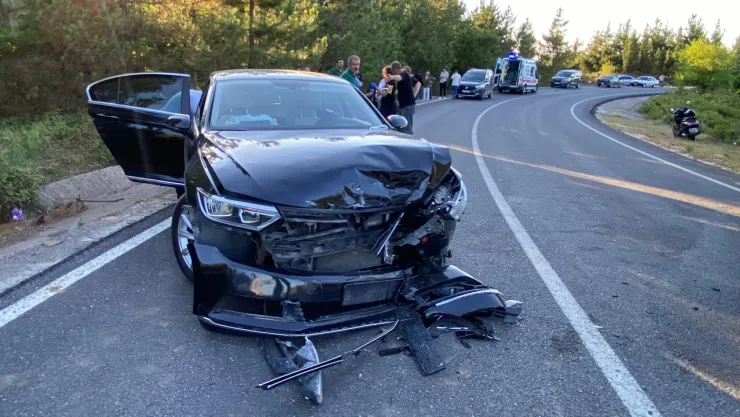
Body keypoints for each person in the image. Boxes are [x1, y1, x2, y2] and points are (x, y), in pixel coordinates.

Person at [386, 61, 420, 134]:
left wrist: (392, 77)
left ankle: (410, 139)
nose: (392, 73)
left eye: (392, 71)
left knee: (406, 127)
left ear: (395, 69)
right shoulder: (403, 76)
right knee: (401, 126)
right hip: (402, 105)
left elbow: (399, 77)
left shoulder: (403, 74)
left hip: (407, 106)